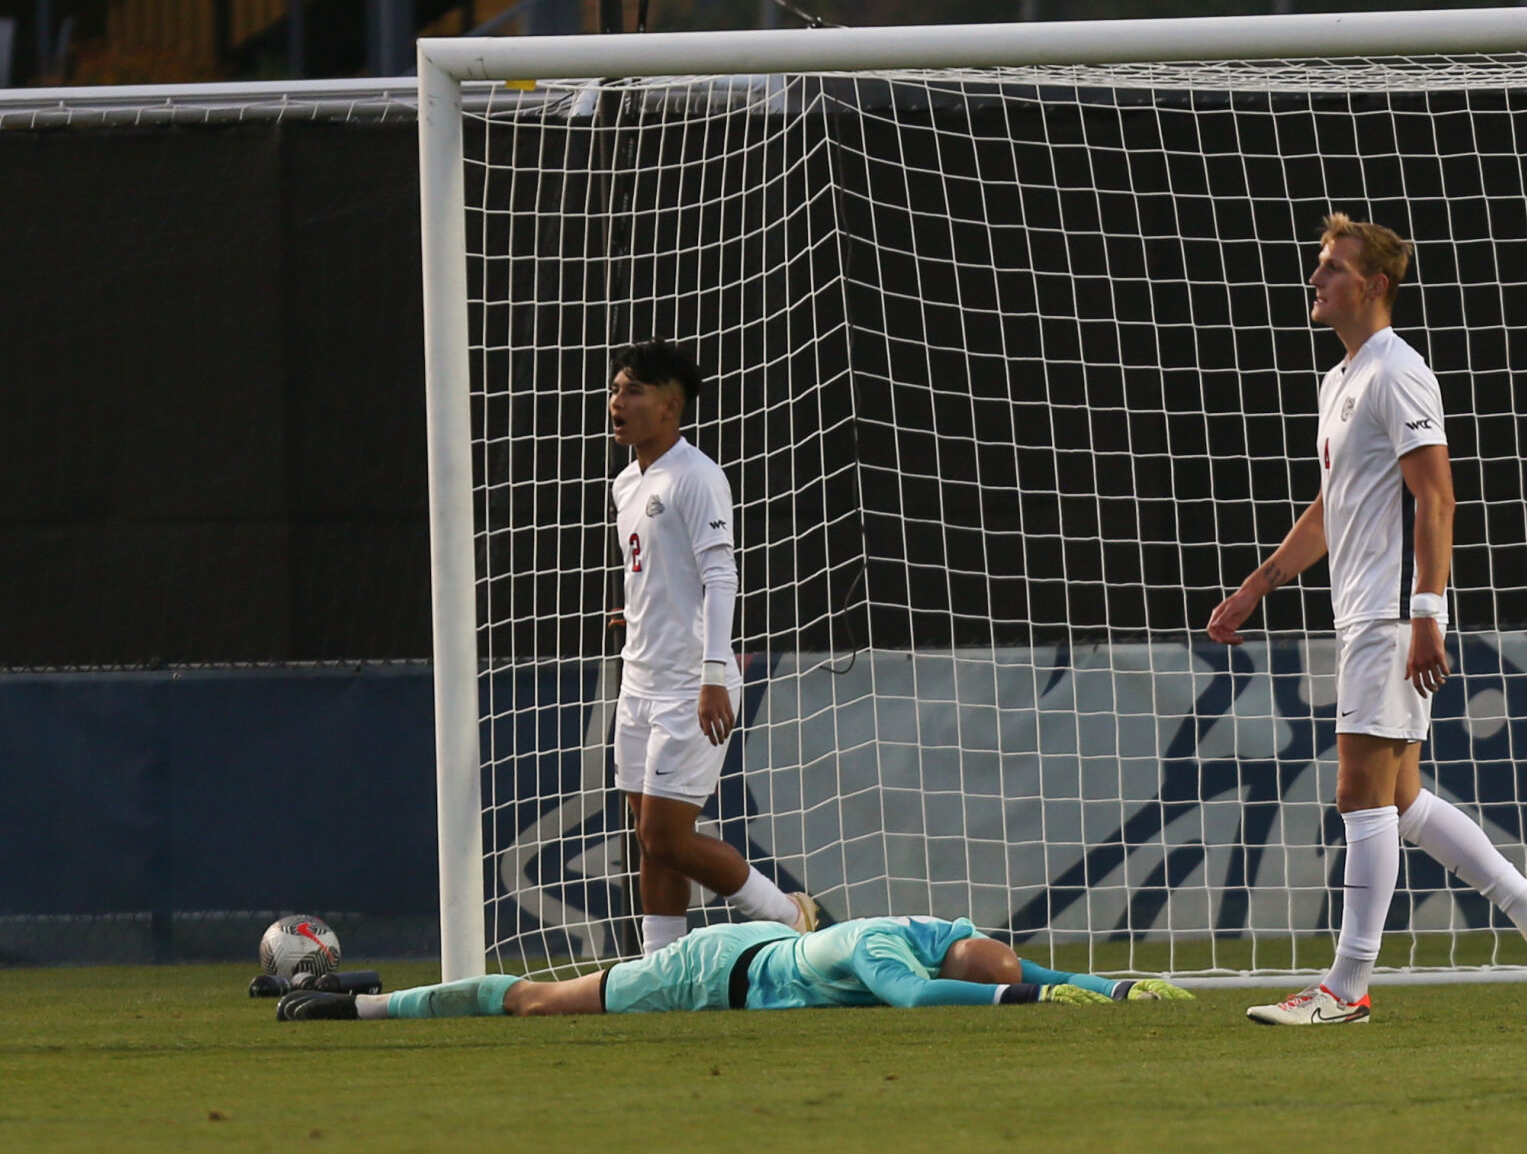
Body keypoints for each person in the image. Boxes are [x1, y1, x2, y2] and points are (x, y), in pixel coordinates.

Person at [1206, 214, 1527, 1025]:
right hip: (1361, 611)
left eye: (1331, 268)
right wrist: (1257, 585)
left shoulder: (1397, 371)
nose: (1315, 280)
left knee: (1358, 793)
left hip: (1388, 611)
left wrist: (1425, 615)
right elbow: (1329, 509)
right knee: (1401, 796)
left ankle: (1344, 988)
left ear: (1372, 285)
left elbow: (1436, 497)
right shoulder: (1339, 379)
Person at [607, 339, 815, 953]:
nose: (616, 401)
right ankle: (661, 963)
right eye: (616, 389)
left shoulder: (698, 477)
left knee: (668, 837)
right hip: (639, 678)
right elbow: (664, 572)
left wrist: (713, 672)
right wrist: (639, 612)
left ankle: (788, 916)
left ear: (670, 408)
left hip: (687, 684)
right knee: (649, 834)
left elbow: (721, 576)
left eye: (632, 391)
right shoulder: (626, 483)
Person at [272, 916, 1195, 1021]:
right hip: (712, 975)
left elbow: (1009, 965)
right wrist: (1028, 997)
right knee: (544, 1002)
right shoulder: (879, 949)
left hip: (749, 959)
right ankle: (360, 1005)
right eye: (987, 970)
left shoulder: (942, 929)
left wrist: (1099, 988)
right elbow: (922, 997)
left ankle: (351, 990)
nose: (1000, 969)